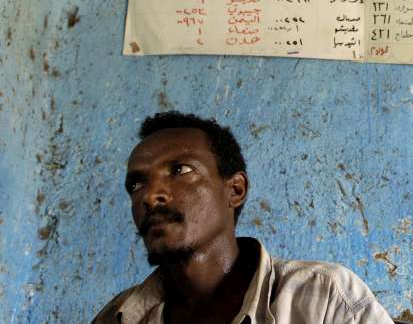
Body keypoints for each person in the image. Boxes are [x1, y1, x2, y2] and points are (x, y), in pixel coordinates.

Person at [92, 111, 395, 324]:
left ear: (235, 190)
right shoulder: (119, 316)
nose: (149, 195)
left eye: (180, 170)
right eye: (136, 184)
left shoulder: (323, 297)